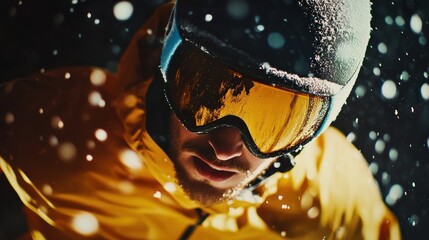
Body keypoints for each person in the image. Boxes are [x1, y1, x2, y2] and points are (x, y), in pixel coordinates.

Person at [0, 0, 401, 239]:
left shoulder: (332, 200)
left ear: (310, 135)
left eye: (274, 119)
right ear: (167, 64)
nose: (225, 148)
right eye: (206, 91)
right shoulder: (53, 133)